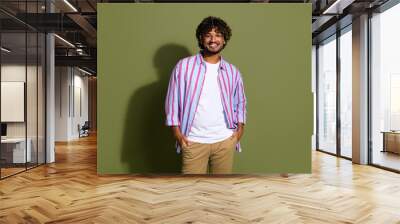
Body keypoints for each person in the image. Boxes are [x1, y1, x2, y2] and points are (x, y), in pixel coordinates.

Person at [165, 16, 247, 174]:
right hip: (193, 141)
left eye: (218, 35)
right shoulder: (183, 66)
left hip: (225, 141)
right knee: (191, 192)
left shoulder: (232, 71)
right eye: (208, 35)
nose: (213, 39)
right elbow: (172, 100)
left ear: (224, 40)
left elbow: (240, 102)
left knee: (221, 192)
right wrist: (177, 134)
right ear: (201, 39)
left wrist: (239, 131)